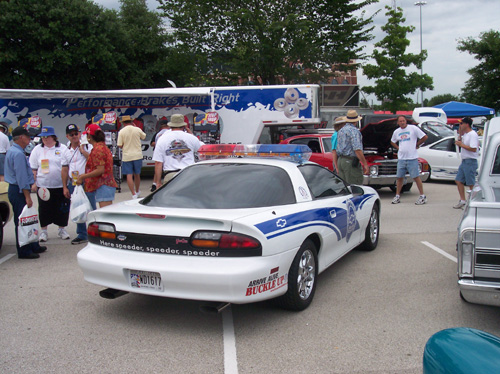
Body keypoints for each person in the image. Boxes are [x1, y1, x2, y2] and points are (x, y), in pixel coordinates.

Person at [5, 126, 47, 259]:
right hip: (18, 190)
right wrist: (27, 196)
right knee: (22, 221)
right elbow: (21, 177)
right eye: (28, 137)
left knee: (29, 219)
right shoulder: (17, 153)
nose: (29, 140)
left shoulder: (14, 150)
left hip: (17, 189)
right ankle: (24, 250)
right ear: (21, 137)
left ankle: (32, 244)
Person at [29, 126, 71, 242]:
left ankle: (61, 229)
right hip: (43, 185)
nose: (45, 139)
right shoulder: (37, 149)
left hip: (59, 185)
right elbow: (33, 168)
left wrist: (65, 186)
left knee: (62, 208)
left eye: (47, 137)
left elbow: (67, 166)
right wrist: (33, 183)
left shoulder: (62, 148)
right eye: (43, 137)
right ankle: (44, 231)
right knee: (44, 208)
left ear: (53, 137)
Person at [61, 124, 95, 244]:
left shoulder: (88, 146)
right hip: (74, 182)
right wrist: (65, 186)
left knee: (91, 207)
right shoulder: (65, 150)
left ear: (80, 134)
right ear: (67, 136)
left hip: (87, 181)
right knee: (78, 207)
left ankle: (94, 232)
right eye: (71, 134)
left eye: (76, 133)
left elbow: (93, 160)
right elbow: (64, 169)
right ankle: (82, 234)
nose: (74, 136)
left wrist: (83, 151)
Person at [152, 114, 203, 188]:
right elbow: (200, 150)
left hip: (170, 175)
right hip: (188, 174)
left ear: (170, 125)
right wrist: (191, 134)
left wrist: (158, 182)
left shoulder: (162, 139)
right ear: (184, 126)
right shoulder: (191, 138)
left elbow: (158, 162)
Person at [76, 124, 117, 208]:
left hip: (104, 184)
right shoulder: (101, 146)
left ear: (89, 136)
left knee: (105, 215)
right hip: (105, 184)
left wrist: (83, 176)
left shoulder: (98, 149)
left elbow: (100, 170)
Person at [390, 116, 428, 205]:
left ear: (406, 121)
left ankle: (422, 196)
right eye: (400, 121)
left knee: (415, 177)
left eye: (403, 121)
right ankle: (397, 195)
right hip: (402, 158)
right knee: (399, 177)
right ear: (398, 123)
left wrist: (417, 144)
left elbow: (424, 137)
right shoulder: (397, 132)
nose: (402, 122)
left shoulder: (413, 128)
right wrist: (397, 147)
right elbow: (392, 141)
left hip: (412, 158)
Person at [336, 110, 369, 184]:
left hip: (341, 160)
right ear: (356, 121)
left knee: (344, 186)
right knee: (355, 186)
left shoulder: (341, 130)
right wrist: (365, 164)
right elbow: (357, 149)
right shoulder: (354, 131)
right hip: (350, 161)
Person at [117, 115, 146, 199]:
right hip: (137, 154)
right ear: (131, 121)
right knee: (137, 174)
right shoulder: (137, 129)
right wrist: (136, 127)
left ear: (123, 123)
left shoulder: (121, 132)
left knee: (129, 175)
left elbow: (119, 145)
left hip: (127, 156)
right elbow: (144, 136)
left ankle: (133, 194)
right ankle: (137, 191)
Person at [453, 117, 479, 209]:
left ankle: (473, 201)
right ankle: (463, 200)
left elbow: (473, 148)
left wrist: (461, 145)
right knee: (458, 180)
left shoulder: (473, 134)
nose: (460, 125)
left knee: (470, 182)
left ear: (467, 124)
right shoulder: (466, 134)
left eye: (461, 123)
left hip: (470, 161)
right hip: (464, 161)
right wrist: (460, 135)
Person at [149, 118, 170, 192]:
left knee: (158, 168)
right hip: (167, 153)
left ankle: (155, 184)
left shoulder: (158, 134)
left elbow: (152, 143)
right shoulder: (169, 132)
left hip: (158, 152)